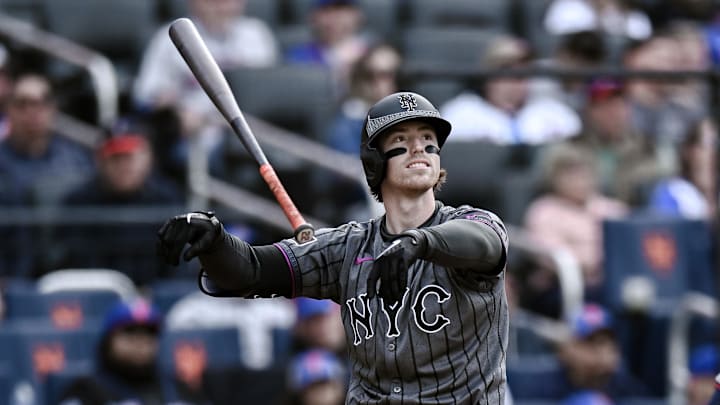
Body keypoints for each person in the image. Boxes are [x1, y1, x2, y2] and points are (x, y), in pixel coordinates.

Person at [157, 91, 509, 403]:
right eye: (401, 138)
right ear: (375, 162)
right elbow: (251, 271)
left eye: (428, 138)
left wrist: (419, 242)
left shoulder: (474, 223)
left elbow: (484, 244)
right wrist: (215, 239)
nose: (419, 147)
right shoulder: (348, 246)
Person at [133, 0, 279, 174]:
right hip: (196, 134)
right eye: (213, 1)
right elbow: (145, 95)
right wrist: (174, 112)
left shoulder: (256, 34)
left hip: (248, 130)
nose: (220, 6)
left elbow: (271, 93)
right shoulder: (172, 36)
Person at [523, 142, 628, 301]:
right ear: (554, 178)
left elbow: (633, 242)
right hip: (565, 287)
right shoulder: (544, 211)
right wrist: (606, 260)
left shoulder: (611, 208)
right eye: (571, 175)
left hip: (615, 283)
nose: (580, 181)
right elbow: (555, 259)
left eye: (585, 174)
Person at [440, 34, 581, 145]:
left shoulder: (554, 112)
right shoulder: (460, 113)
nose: (516, 82)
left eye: (523, 74)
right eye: (507, 71)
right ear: (488, 77)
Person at [58, 298, 190, 404]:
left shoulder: (176, 386)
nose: (141, 342)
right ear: (108, 341)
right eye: (130, 332)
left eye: (149, 334)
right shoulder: (85, 390)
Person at [0, 73, 94, 205]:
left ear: (53, 109)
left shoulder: (75, 161)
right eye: (22, 104)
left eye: (40, 103)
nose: (31, 112)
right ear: (8, 109)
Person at [285, 0, 372, 99]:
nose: (334, 17)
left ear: (358, 15)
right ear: (313, 17)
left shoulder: (375, 55)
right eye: (326, 10)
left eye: (341, 8)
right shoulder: (296, 58)